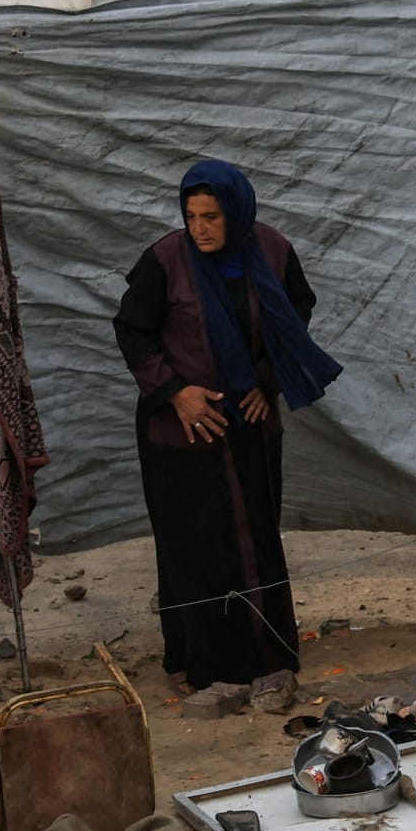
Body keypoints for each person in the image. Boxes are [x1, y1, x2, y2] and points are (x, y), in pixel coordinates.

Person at [112, 161, 341, 698]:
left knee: (255, 538)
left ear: (235, 212)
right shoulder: (165, 260)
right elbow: (133, 332)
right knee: (193, 545)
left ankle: (266, 654)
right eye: (191, 216)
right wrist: (176, 393)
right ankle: (202, 664)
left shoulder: (273, 251)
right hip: (184, 436)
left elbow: (294, 314)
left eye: (211, 216)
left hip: (249, 429)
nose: (200, 228)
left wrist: (268, 380)